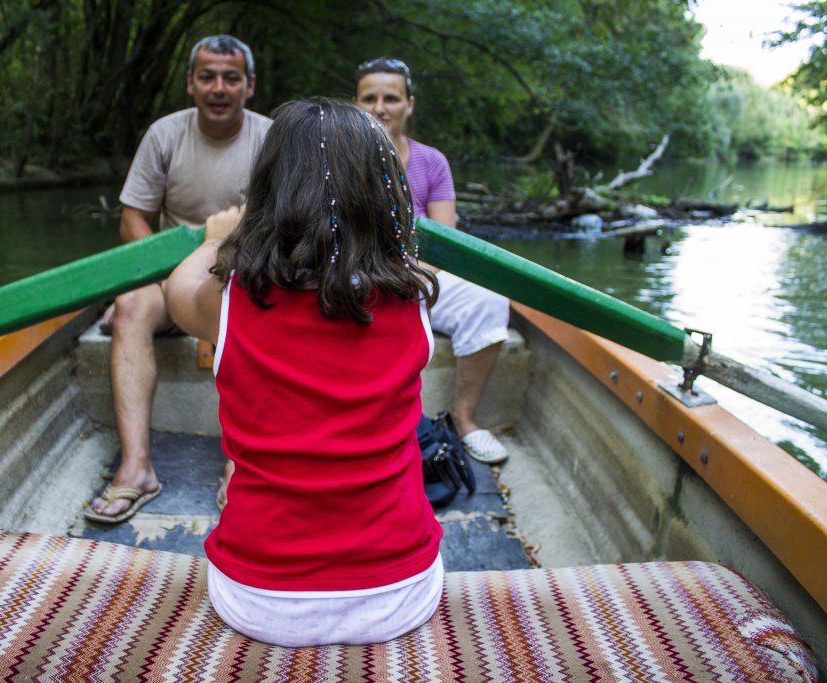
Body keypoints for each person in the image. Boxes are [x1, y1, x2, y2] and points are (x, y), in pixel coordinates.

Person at [164, 99, 444, 646]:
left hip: (257, 597)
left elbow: (177, 293)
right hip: (399, 592)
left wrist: (221, 237)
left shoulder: (229, 300)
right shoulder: (415, 300)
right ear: (386, 196)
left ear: (269, 194)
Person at [84, 35, 272, 523]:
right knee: (128, 306)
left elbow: (285, 224)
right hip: (169, 279)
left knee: (259, 303)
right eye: (207, 76)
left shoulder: (273, 138)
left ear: (249, 86)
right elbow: (132, 221)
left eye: (231, 78)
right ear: (191, 82)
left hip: (243, 274)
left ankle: (241, 469)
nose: (218, 87)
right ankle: (136, 469)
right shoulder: (164, 134)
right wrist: (175, 282)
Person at [354, 57, 510, 464]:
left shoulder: (432, 161)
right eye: (369, 98)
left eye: (391, 98)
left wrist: (408, 277)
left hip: (419, 276)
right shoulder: (339, 159)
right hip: (357, 277)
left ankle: (464, 419)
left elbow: (447, 241)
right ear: (355, 104)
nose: (380, 107)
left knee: (488, 300)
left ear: (410, 105)